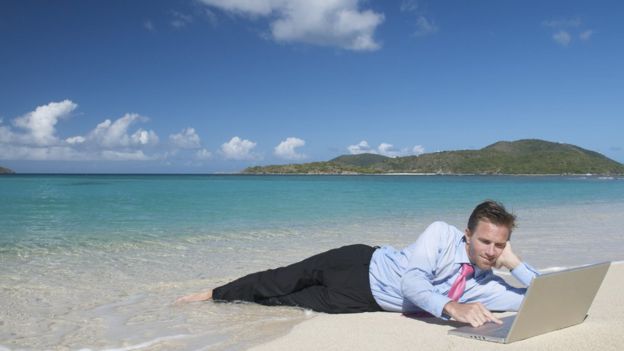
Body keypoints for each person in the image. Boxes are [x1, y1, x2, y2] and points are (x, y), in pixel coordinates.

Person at [176, 200, 539, 327]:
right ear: (467, 234)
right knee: (281, 278)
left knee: (284, 301)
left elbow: (539, 297)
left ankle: (231, 303)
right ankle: (213, 293)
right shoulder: (441, 234)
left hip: (361, 300)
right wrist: (452, 308)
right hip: (359, 261)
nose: (491, 251)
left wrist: (516, 263)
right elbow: (412, 285)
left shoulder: (486, 284)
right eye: (486, 242)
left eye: (499, 245)